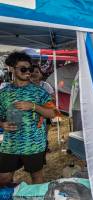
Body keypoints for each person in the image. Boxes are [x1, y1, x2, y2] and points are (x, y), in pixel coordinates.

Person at [0, 52, 56, 186]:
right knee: (3, 178)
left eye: (30, 69)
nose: (28, 72)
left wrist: (33, 106)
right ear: (12, 69)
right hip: (10, 144)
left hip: (34, 144)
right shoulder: (4, 93)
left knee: (36, 178)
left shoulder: (39, 92)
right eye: (23, 69)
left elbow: (53, 113)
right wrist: (2, 124)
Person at [30, 64, 55, 153]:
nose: (34, 74)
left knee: (44, 132)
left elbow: (53, 98)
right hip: (30, 115)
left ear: (41, 73)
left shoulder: (46, 85)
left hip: (45, 114)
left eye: (37, 72)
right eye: (32, 72)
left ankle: (44, 148)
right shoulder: (26, 87)